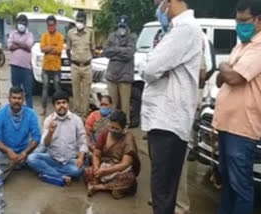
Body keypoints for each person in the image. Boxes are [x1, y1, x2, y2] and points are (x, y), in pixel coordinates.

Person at [140, 0, 202, 213]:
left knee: (163, 192)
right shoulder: (178, 30)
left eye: (159, 2)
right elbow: (153, 67)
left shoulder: (184, 30)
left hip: (168, 121)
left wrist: (154, 67)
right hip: (165, 121)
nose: (157, 8)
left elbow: (149, 69)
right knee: (163, 191)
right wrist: (156, 67)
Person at [212, 1, 261, 214]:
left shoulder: (259, 47)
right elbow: (218, 81)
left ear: (259, 21)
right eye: (237, 20)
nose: (239, 25)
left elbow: (231, 77)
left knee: (240, 187)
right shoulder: (241, 46)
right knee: (228, 185)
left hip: (242, 130)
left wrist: (224, 66)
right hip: (227, 127)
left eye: (244, 21)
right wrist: (226, 71)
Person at [27, 90, 88, 186]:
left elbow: (83, 141)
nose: (61, 106)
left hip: (69, 161)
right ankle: (61, 176)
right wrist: (50, 133)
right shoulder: (49, 120)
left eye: (64, 102)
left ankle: (48, 173)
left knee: (78, 170)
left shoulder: (76, 120)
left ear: (68, 104)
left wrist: (80, 158)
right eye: (58, 103)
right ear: (54, 106)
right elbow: (45, 144)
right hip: (52, 159)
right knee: (31, 159)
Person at [84, 110, 140, 199]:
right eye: (112, 128)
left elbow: (125, 163)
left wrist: (106, 172)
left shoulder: (128, 138)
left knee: (128, 178)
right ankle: (113, 188)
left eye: (117, 129)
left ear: (124, 128)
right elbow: (96, 154)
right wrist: (96, 167)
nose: (113, 131)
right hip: (104, 165)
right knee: (88, 172)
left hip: (119, 170)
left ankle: (99, 187)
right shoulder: (105, 133)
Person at [0, 87, 41, 180]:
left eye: (19, 98)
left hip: (25, 152)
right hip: (6, 153)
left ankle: (13, 164)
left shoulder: (31, 114)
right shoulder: (0, 114)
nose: (16, 101)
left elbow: (36, 137)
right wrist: (8, 151)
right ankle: (19, 164)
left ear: (23, 100)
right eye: (14, 98)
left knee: (42, 147)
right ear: (9, 99)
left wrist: (25, 152)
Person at [103, 15, 137, 126]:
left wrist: (115, 51)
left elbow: (129, 53)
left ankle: (125, 126)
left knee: (125, 106)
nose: (122, 28)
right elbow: (106, 51)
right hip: (112, 75)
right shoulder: (112, 36)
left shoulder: (132, 36)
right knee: (112, 104)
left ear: (128, 26)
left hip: (125, 76)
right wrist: (120, 50)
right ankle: (111, 126)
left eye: (124, 26)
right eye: (120, 26)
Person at [67, 11, 95, 119]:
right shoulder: (70, 33)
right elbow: (68, 49)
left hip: (87, 66)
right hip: (75, 65)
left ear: (85, 22)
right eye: (78, 20)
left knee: (87, 92)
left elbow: (93, 48)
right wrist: (72, 62)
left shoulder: (90, 33)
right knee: (75, 91)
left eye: (81, 21)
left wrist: (87, 59)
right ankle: (76, 114)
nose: (79, 23)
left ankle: (84, 114)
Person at [8, 14, 34, 108]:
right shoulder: (12, 33)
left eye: (23, 23)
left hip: (26, 68)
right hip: (15, 67)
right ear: (17, 23)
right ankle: (15, 109)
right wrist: (23, 44)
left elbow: (28, 46)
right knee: (15, 91)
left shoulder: (30, 35)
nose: (21, 25)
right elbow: (10, 46)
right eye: (19, 23)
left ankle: (30, 111)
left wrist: (17, 42)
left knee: (28, 92)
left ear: (26, 24)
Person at [40, 15, 64, 115]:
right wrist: (52, 47)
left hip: (56, 67)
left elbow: (59, 50)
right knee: (45, 87)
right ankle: (44, 108)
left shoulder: (60, 36)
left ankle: (58, 108)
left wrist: (48, 48)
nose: (51, 27)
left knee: (57, 88)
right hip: (46, 67)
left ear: (55, 25)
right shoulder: (44, 36)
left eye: (52, 25)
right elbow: (42, 49)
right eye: (49, 25)